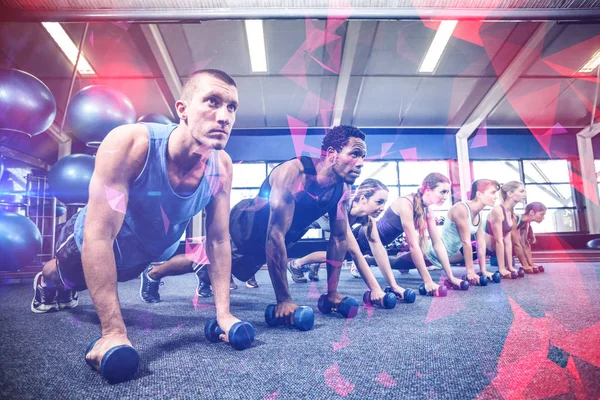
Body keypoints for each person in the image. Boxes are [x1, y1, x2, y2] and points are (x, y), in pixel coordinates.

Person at [31, 69, 244, 369]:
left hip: (142, 258)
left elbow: (220, 239)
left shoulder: (221, 166)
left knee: (98, 285)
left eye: (232, 107)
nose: (224, 116)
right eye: (212, 101)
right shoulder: (132, 144)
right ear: (182, 110)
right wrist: (113, 332)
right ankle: (46, 281)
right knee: (65, 279)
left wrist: (224, 314)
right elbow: (99, 236)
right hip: (90, 246)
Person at [230, 125, 366, 321]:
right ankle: (170, 269)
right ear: (331, 154)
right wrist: (284, 300)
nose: (361, 163)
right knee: (206, 269)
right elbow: (275, 234)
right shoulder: (294, 173)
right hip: (243, 229)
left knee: (241, 272)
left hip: (274, 241)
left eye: (363, 156)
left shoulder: (342, 189)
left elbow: (339, 238)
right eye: (355, 154)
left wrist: (332, 293)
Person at [287, 178, 414, 303]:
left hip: (313, 224)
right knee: (281, 246)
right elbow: (355, 252)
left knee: (340, 252)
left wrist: (393, 285)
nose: (382, 207)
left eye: (384, 203)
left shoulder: (367, 219)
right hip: (296, 220)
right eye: (379, 202)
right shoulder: (342, 208)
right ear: (363, 199)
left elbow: (378, 248)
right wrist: (375, 289)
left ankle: (306, 264)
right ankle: (295, 265)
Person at [356, 173, 454, 295]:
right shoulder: (406, 203)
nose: (445, 196)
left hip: (379, 243)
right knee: (329, 257)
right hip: (364, 237)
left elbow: (438, 244)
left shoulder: (427, 211)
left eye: (447, 193)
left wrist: (451, 277)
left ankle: (364, 260)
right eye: (443, 192)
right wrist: (428, 281)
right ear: (428, 190)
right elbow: (413, 245)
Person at [426, 179, 500, 285]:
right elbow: (466, 242)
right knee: (397, 263)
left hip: (450, 255)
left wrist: (483, 270)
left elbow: (481, 243)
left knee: (476, 247)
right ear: (479, 194)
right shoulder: (461, 209)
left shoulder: (478, 214)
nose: (496, 197)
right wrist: (470, 271)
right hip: (434, 252)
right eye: (492, 192)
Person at [483, 181, 527, 279]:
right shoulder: (498, 211)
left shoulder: (511, 214)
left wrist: (510, 267)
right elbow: (499, 241)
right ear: (510, 194)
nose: (524, 194)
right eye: (521, 191)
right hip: (477, 249)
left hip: (491, 250)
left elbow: (507, 241)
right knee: (446, 258)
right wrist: (501, 268)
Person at [511, 202, 547, 273]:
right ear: (532, 212)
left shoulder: (526, 222)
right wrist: (525, 265)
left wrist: (531, 264)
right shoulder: (515, 218)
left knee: (523, 242)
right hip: (490, 244)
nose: (543, 218)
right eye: (542, 214)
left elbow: (525, 243)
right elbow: (516, 244)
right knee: (515, 242)